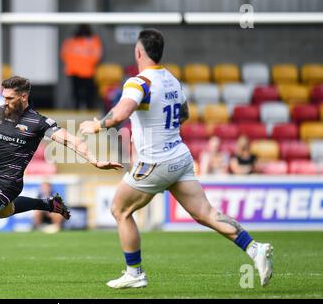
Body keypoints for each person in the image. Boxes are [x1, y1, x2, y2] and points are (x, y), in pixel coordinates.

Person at [80, 29, 273, 289]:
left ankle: (135, 272)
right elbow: (184, 113)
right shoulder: (171, 80)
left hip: (155, 161)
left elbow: (121, 112)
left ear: (139, 52)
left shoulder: (139, 82)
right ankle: (254, 247)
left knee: (120, 209)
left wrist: (98, 126)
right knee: (206, 213)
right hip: (179, 157)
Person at [0, 76, 122, 286]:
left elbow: (71, 140)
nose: (5, 102)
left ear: (23, 96)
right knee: (5, 212)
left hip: (9, 183)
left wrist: (95, 160)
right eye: (4, 97)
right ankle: (48, 204)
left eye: (10, 98)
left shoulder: (38, 122)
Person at [60, 24, 102, 109]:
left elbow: (64, 54)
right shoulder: (92, 41)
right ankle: (85, 110)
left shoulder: (72, 41)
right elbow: (97, 55)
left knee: (81, 94)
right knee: (84, 94)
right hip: (83, 71)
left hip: (80, 71)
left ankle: (81, 109)